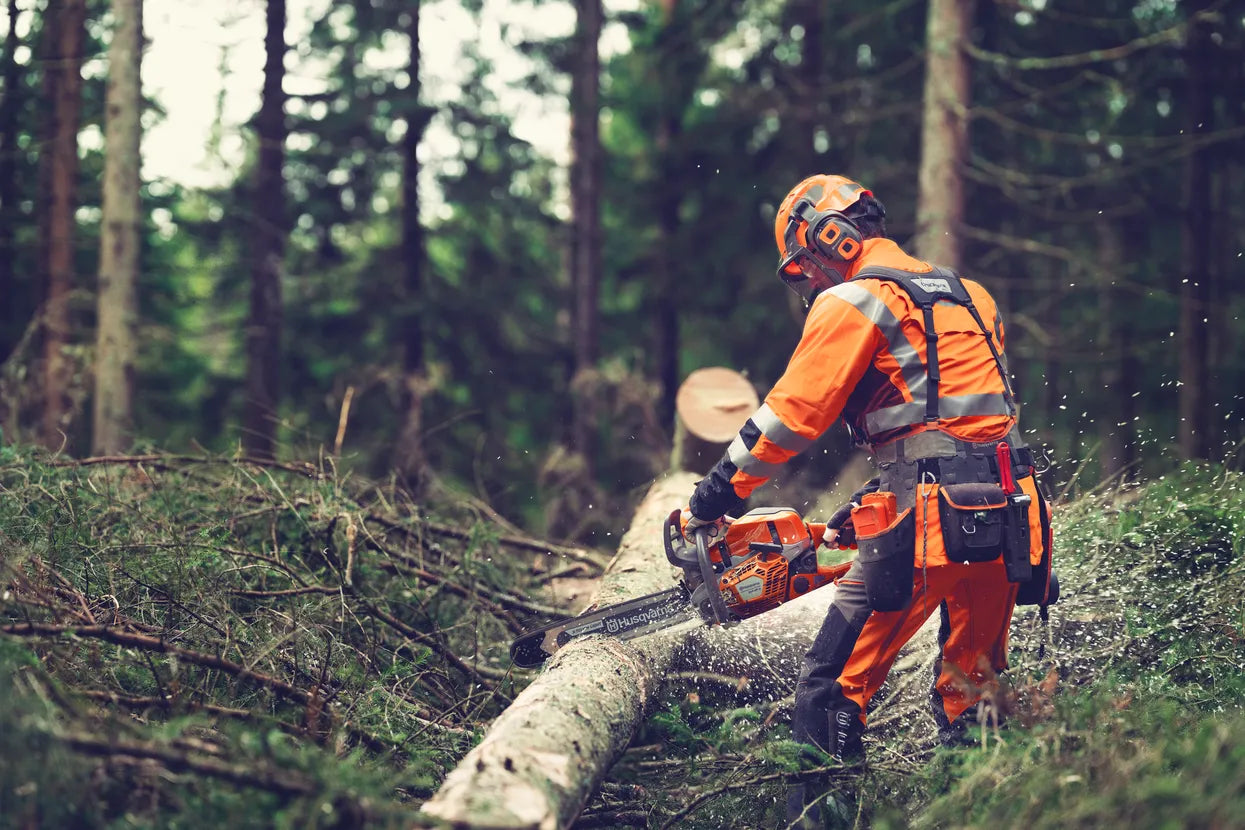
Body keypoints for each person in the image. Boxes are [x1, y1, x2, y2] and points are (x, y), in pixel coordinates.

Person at [680, 174, 1054, 826]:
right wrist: (874, 493)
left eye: (805, 265)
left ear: (832, 236)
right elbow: (951, 421)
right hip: (1013, 514)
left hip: (931, 521)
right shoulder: (974, 296)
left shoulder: (855, 298)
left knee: (832, 689)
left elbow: (790, 418)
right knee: (972, 685)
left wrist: (713, 497)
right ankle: (986, 810)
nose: (808, 282)